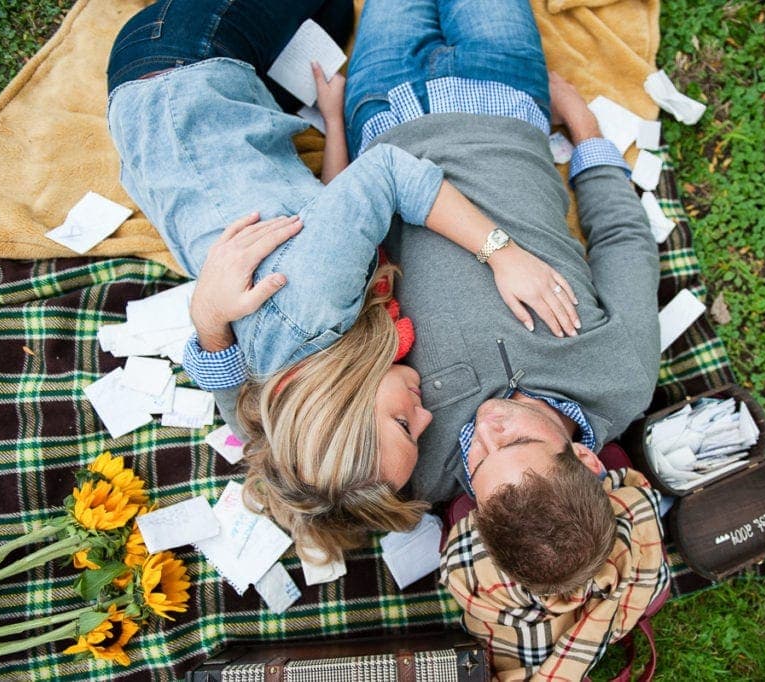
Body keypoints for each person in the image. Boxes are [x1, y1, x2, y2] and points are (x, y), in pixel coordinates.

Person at [104, 0, 580, 563]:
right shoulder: (285, 392)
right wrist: (332, 122)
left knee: (331, 14)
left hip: (180, 63)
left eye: (404, 424)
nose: (427, 414)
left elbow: (386, 173)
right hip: (181, 113)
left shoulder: (312, 309)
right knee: (325, 31)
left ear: (343, 406)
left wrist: (502, 253)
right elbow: (327, 217)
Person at [341, 0, 672, 676]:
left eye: (479, 460)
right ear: (585, 460)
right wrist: (582, 124)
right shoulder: (623, 376)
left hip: (384, 119)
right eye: (516, 439)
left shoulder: (417, 459)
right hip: (506, 98)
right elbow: (620, 238)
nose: (484, 426)